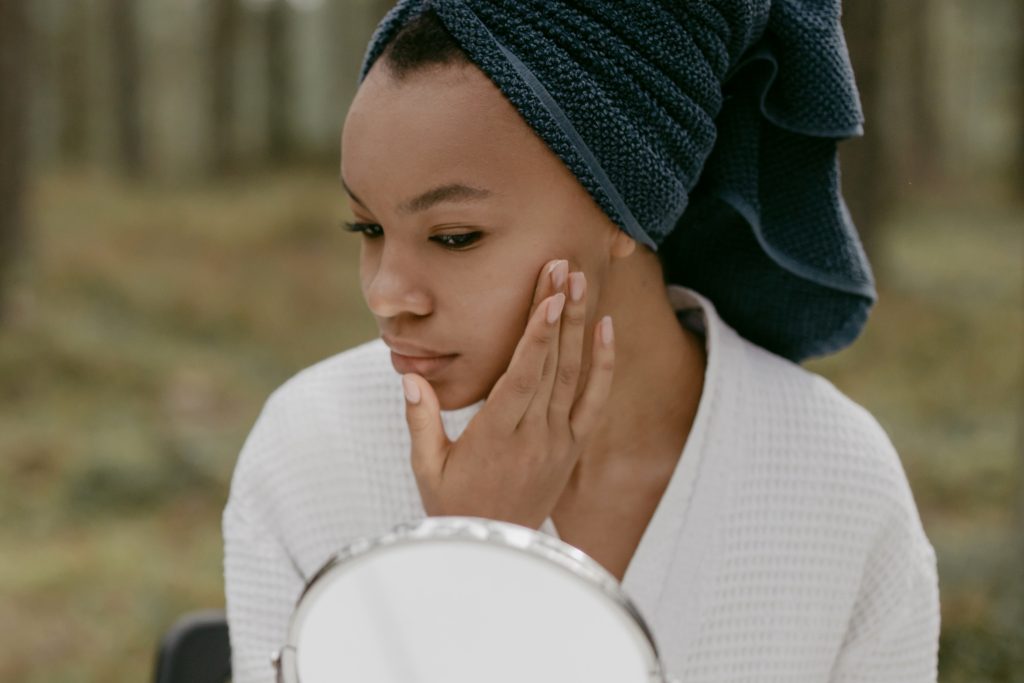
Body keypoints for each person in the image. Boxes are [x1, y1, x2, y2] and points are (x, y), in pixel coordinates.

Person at [223, 2, 940, 682]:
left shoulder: (837, 482)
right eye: (368, 229)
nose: (386, 294)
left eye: (454, 237)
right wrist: (464, 559)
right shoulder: (308, 451)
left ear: (627, 206)